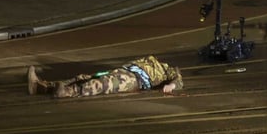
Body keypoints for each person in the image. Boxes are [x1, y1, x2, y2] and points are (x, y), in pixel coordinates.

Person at [27, 55, 183, 98]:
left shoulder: (168, 71)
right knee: (85, 77)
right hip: (123, 71)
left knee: (101, 85)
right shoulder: (153, 61)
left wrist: (171, 86)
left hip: (133, 80)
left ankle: (67, 92)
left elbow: (179, 81)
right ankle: (41, 87)